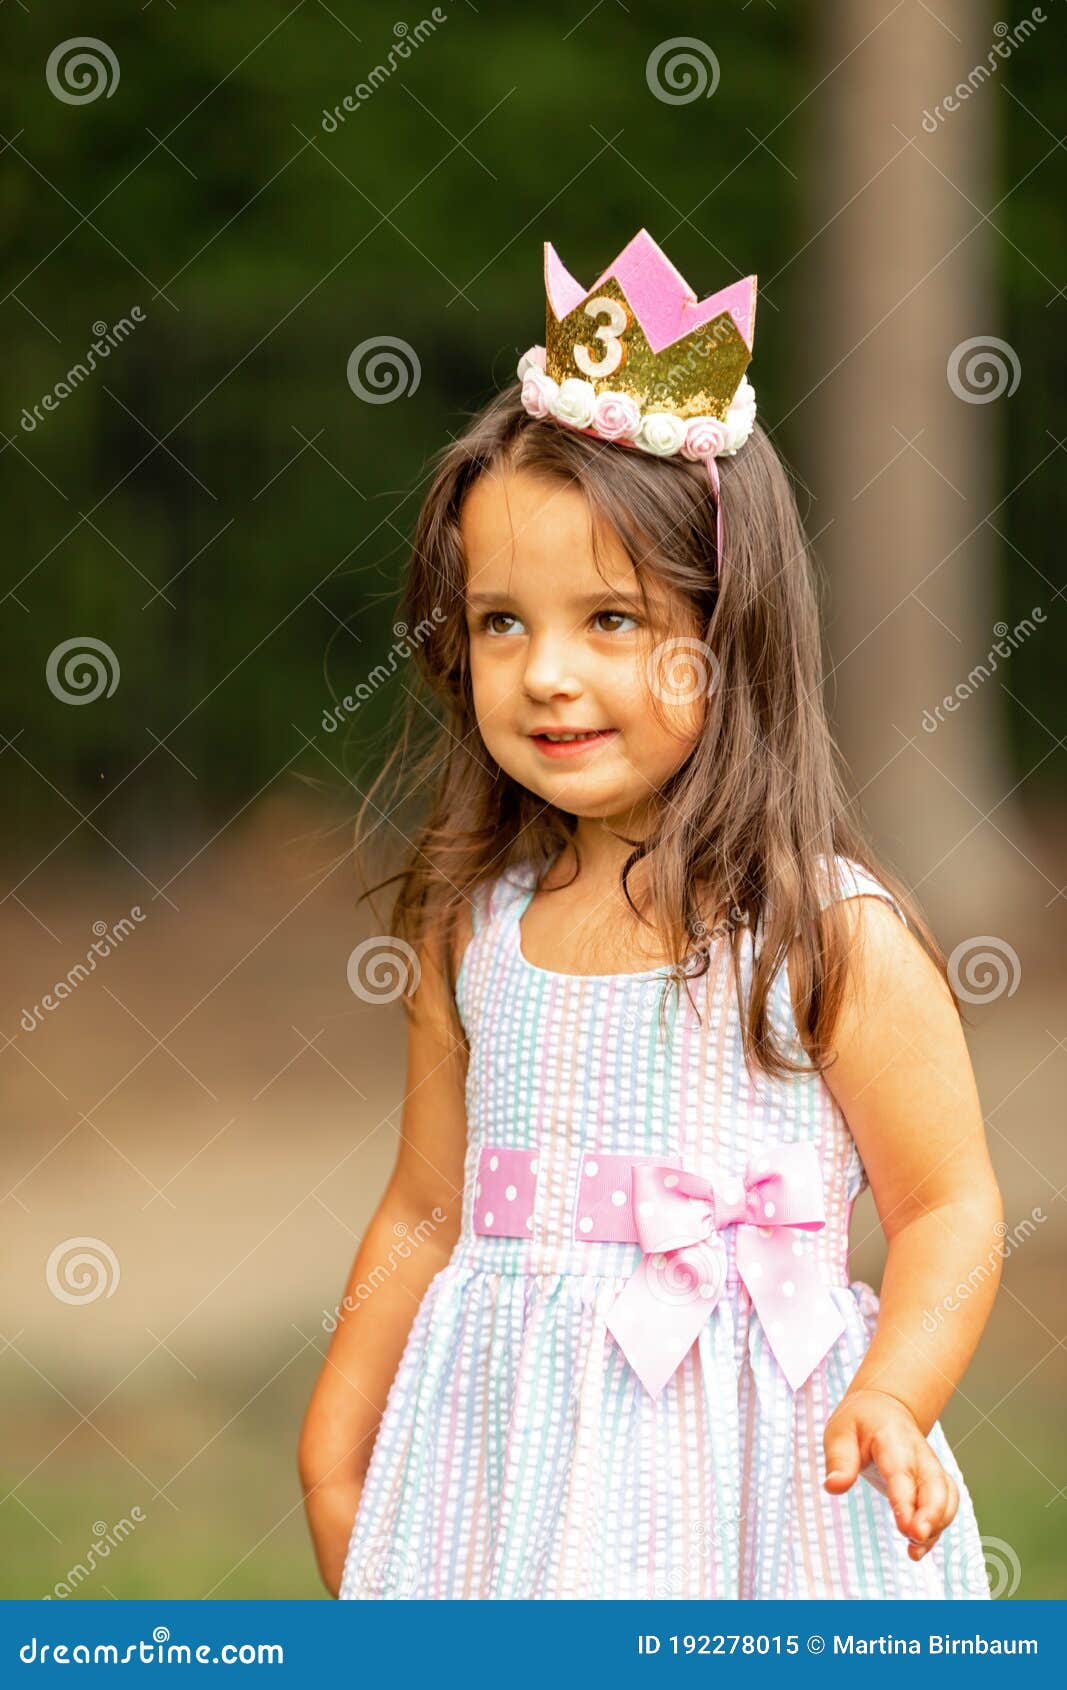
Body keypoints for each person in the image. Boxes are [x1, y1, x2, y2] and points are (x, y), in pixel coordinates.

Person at [298, 231, 1003, 1599]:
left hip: (764, 1492)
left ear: (728, 630)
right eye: (501, 621)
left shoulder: (823, 936)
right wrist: (344, 1420)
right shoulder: (473, 935)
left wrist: (897, 1393)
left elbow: (949, 1204)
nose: (546, 673)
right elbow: (429, 1206)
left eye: (611, 619)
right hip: (504, 1476)